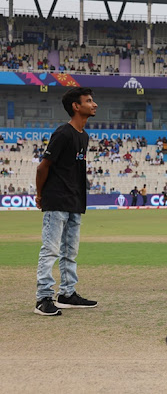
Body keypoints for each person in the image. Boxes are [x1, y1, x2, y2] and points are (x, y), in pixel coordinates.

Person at [34, 87, 99, 316]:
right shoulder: (62, 133)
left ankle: (67, 294)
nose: (94, 104)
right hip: (57, 199)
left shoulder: (84, 136)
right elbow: (43, 167)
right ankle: (43, 298)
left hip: (74, 201)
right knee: (50, 250)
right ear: (76, 106)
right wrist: (40, 195)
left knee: (70, 251)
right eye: (89, 101)